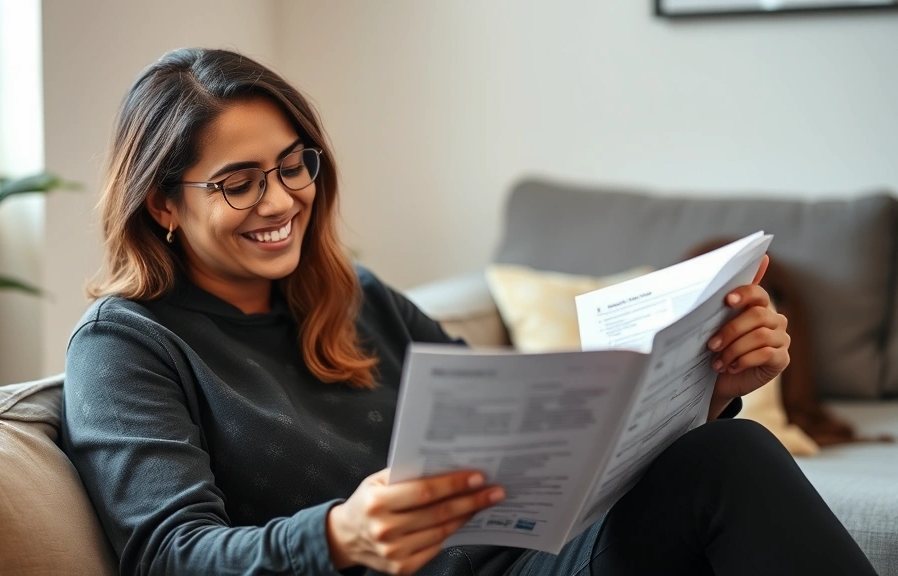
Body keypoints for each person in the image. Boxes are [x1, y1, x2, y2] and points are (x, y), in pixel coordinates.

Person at [60, 48, 878, 576]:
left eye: (292, 167)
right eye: (239, 181)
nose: (280, 200)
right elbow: (169, 556)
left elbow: (539, 430)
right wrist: (340, 536)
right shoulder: (126, 345)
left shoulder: (358, 298)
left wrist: (708, 385)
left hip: (522, 562)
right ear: (163, 203)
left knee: (730, 450)